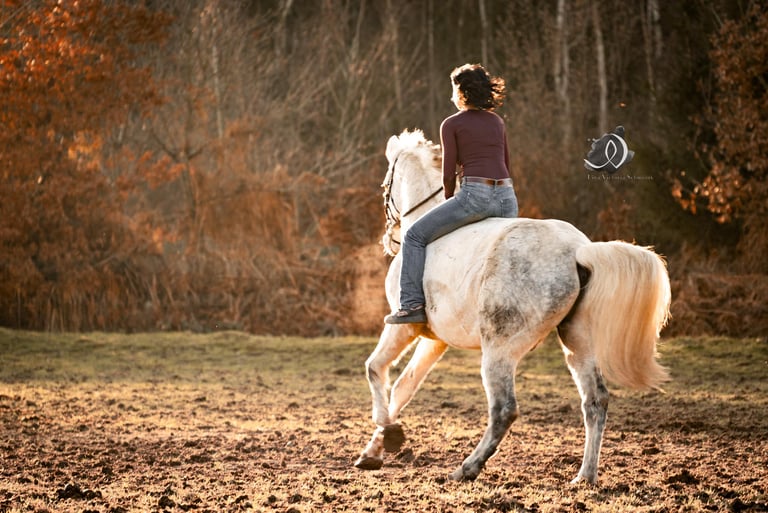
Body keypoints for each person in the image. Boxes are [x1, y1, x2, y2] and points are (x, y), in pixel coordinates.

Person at [385, 63, 519, 324]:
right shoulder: (497, 121)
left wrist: (450, 197)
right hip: (507, 199)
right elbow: (506, 164)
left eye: (453, 91)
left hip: (474, 197)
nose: (451, 97)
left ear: (461, 92)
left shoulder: (451, 124)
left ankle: (411, 305)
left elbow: (448, 174)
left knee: (413, 236)